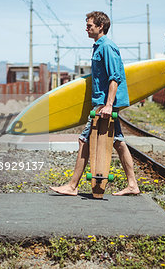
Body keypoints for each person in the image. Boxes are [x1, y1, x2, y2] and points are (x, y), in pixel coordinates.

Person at [50, 11, 139, 196]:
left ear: (100, 26)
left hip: (103, 105)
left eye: (90, 25)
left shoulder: (107, 47)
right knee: (118, 142)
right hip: (102, 103)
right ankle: (132, 184)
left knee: (84, 140)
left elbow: (115, 77)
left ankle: (72, 186)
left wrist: (108, 105)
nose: (86, 28)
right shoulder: (99, 46)